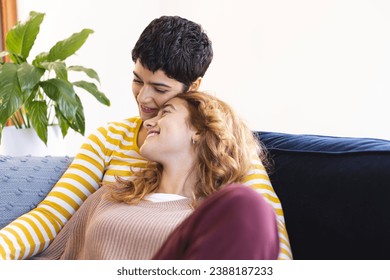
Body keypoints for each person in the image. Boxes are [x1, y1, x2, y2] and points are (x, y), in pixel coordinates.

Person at [0, 16, 292, 260]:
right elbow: (52, 215)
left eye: (160, 89)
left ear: (194, 87)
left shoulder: (227, 151)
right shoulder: (110, 142)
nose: (144, 97)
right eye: (138, 80)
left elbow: (270, 236)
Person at [31, 91, 280, 260]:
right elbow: (55, 259)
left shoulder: (222, 219)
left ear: (200, 131)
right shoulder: (112, 195)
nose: (149, 122)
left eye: (166, 112)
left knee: (249, 206)